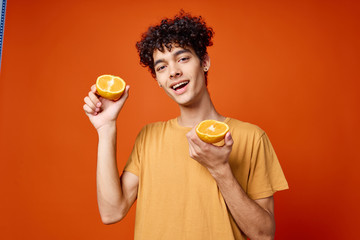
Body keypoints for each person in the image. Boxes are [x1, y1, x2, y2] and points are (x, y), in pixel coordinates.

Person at [83, 11, 288, 240]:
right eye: (161, 67)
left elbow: (263, 235)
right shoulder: (148, 138)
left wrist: (221, 171)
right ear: (159, 82)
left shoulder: (252, 137)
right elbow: (111, 212)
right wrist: (106, 127)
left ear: (205, 62)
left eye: (183, 58)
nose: (173, 72)